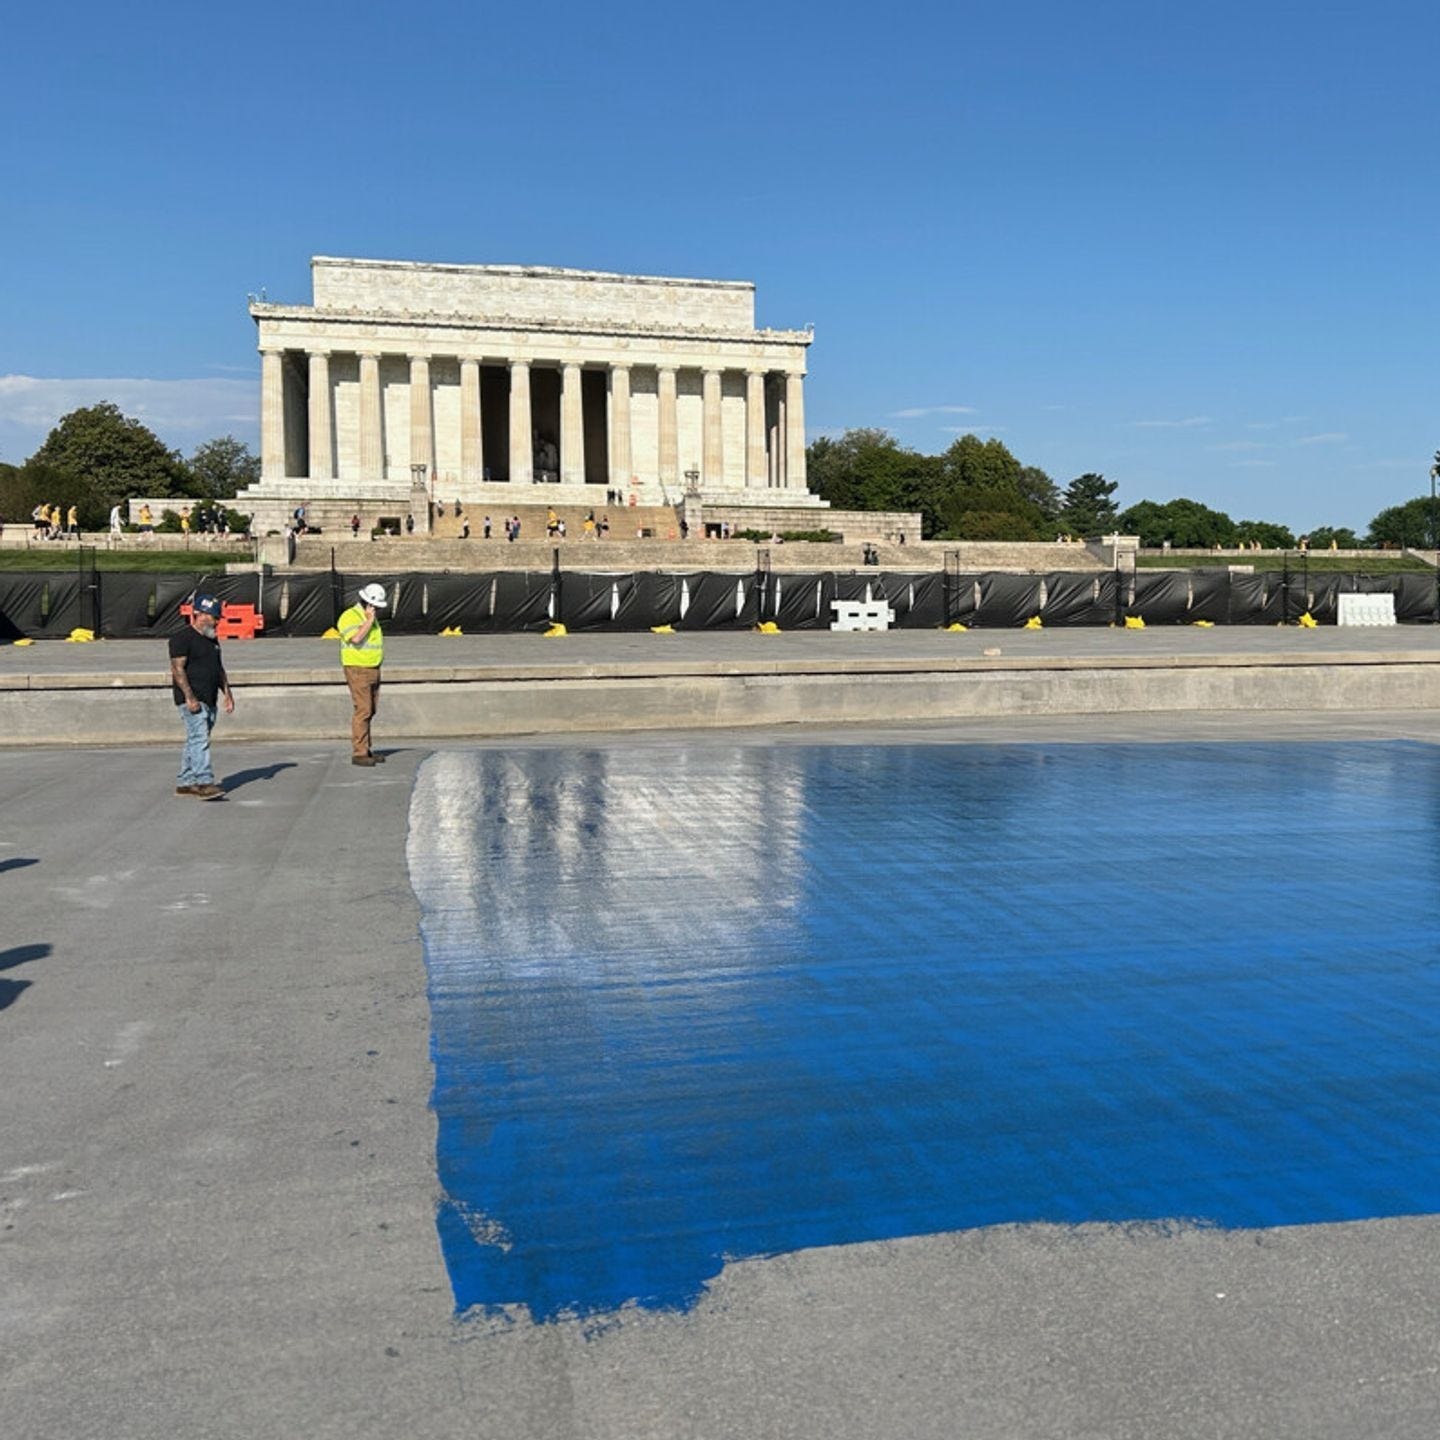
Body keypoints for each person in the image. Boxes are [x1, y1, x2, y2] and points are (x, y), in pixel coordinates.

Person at [169, 594, 234, 800]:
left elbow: (219, 668)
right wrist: (189, 697)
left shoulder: (212, 640)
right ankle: (204, 781)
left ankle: (186, 782)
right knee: (200, 739)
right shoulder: (182, 638)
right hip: (192, 698)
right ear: (201, 615)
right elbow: (177, 669)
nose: (217, 622)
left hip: (210, 697)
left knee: (195, 740)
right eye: (215, 617)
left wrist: (228, 693)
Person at [337, 582, 388, 767]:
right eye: (376, 607)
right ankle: (359, 752)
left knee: (370, 709)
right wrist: (367, 620)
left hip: (372, 667)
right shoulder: (349, 617)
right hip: (357, 668)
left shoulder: (370, 618)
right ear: (369, 603)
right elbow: (356, 638)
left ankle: (366, 748)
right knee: (363, 710)